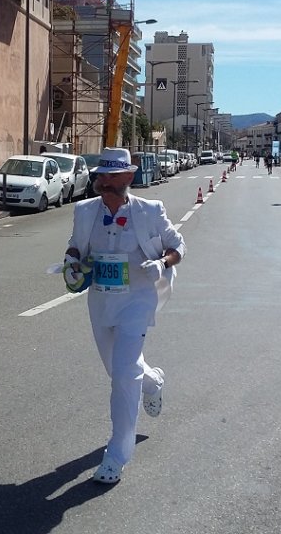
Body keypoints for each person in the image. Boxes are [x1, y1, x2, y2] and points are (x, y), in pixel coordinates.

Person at [63, 147, 186, 484]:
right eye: (101, 174)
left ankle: (117, 455)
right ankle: (154, 381)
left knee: (122, 375)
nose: (102, 181)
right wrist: (72, 261)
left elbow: (179, 247)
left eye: (110, 175)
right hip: (101, 301)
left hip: (137, 300)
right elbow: (75, 246)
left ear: (128, 177)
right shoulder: (85, 211)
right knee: (117, 369)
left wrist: (162, 263)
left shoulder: (150, 211)